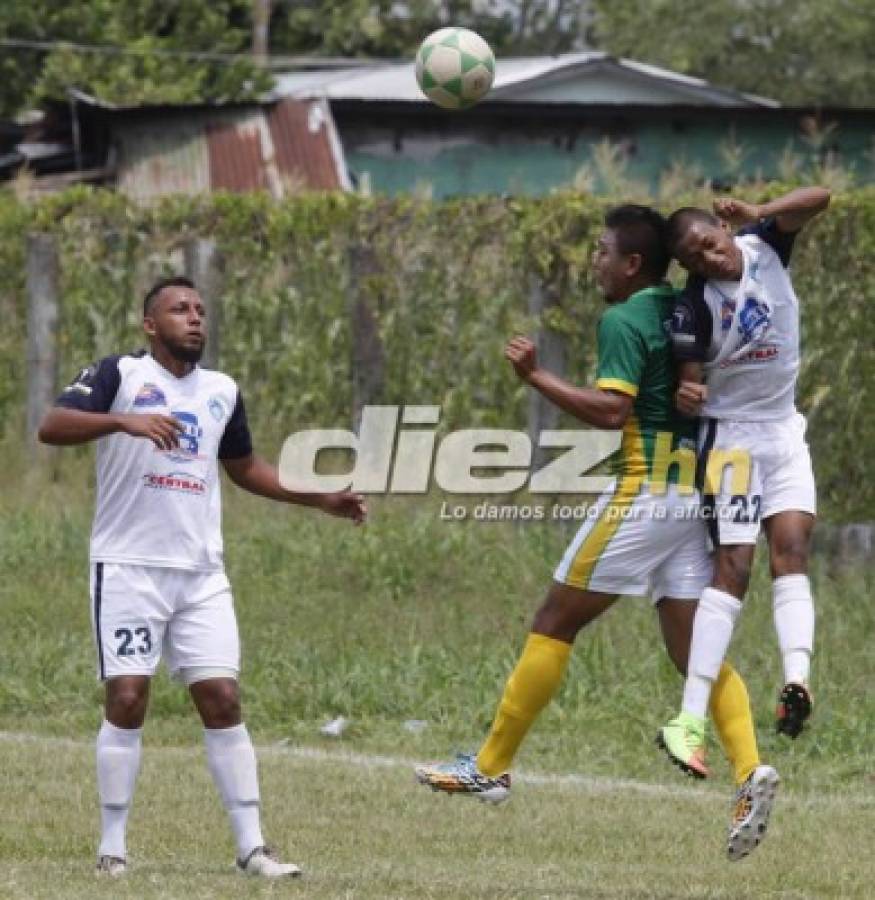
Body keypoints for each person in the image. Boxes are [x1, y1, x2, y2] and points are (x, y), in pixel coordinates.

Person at [415, 205, 778, 861]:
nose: (594, 262)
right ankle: (750, 772)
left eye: (601, 251)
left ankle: (490, 765)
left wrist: (534, 377)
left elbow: (612, 410)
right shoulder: (681, 300)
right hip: (692, 488)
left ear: (631, 263)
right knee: (690, 650)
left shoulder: (623, 317)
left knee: (554, 617)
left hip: (644, 490)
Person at [38, 276, 366, 878]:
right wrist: (123, 423)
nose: (194, 318)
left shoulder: (221, 390)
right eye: (179, 309)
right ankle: (112, 847)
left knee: (222, 698)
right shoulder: (119, 375)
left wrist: (319, 498)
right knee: (129, 697)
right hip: (129, 568)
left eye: (199, 310)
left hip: (200, 576)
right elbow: (52, 425)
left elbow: (244, 468)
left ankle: (253, 848)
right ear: (149, 324)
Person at [657, 186, 830, 778]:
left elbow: (821, 197)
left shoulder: (767, 246)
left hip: (784, 432)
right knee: (734, 567)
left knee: (794, 553)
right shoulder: (692, 307)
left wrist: (759, 210)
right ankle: (688, 719)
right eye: (695, 257)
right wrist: (687, 391)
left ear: (724, 231)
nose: (710, 259)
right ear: (686, 266)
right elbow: (688, 380)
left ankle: (796, 681)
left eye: (711, 244)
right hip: (730, 438)